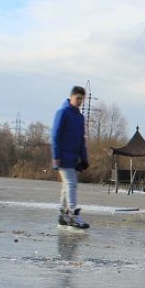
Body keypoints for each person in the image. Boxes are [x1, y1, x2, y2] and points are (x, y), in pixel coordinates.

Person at [51, 85, 90, 229]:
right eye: (77, 98)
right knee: (71, 184)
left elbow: (81, 140)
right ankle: (73, 214)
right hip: (62, 157)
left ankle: (63, 214)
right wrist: (56, 156)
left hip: (74, 158)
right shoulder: (63, 112)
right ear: (71, 97)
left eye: (82, 99)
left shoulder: (80, 117)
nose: (80, 101)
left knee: (66, 185)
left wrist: (84, 159)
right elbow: (55, 135)